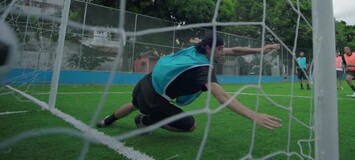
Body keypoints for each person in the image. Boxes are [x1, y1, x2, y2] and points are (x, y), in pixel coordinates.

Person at [97, 32, 282, 132]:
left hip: (146, 82)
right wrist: (253, 115)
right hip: (156, 99)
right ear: (208, 48)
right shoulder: (203, 69)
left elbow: (234, 51)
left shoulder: (194, 50)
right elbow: (222, 97)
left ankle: (107, 121)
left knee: (133, 104)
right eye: (219, 49)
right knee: (190, 125)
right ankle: (145, 120)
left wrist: (260, 49)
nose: (223, 53)